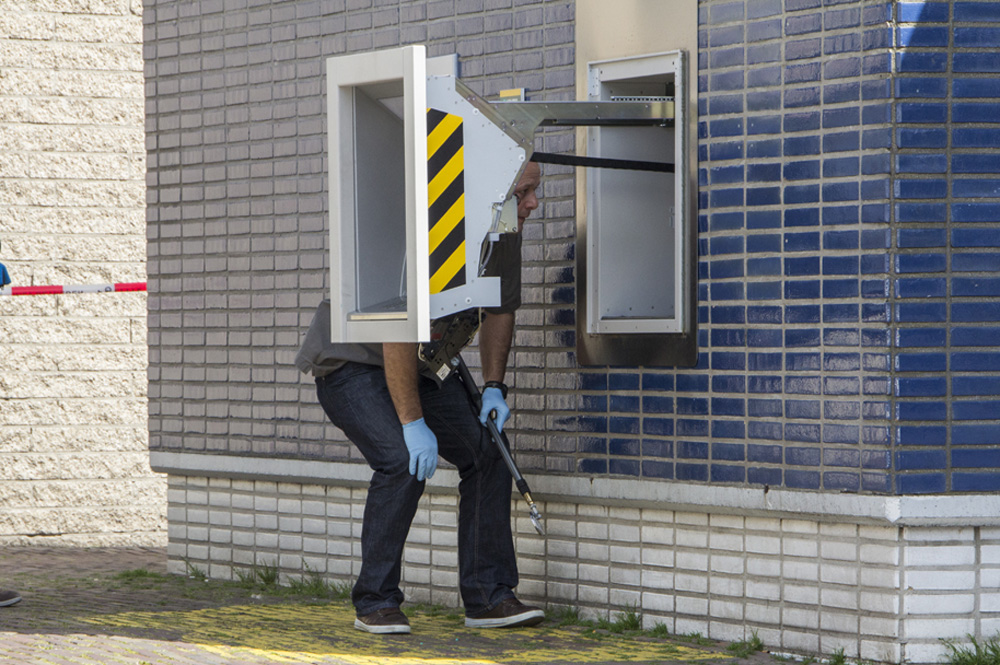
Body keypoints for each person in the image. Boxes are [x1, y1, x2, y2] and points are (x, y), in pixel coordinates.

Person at [296, 162, 542, 634]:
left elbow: (499, 309)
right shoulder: (434, 225)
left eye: (535, 191)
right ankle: (376, 601)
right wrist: (412, 423)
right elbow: (396, 326)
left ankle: (488, 597)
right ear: (495, 189)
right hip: (355, 361)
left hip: (423, 363)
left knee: (487, 449)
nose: (533, 203)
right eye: (525, 191)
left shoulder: (503, 231)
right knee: (399, 457)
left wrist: (495, 385)